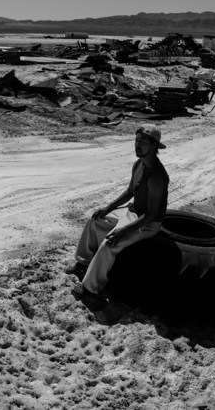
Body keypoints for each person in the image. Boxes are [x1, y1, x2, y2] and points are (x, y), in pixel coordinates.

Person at [67, 124, 170, 309]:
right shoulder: (139, 164)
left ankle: (91, 291)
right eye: (136, 141)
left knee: (110, 243)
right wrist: (107, 208)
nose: (137, 146)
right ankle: (84, 263)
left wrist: (124, 231)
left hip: (147, 222)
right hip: (132, 211)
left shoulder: (157, 176)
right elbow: (131, 191)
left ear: (154, 146)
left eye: (143, 142)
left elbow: (152, 214)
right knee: (96, 220)